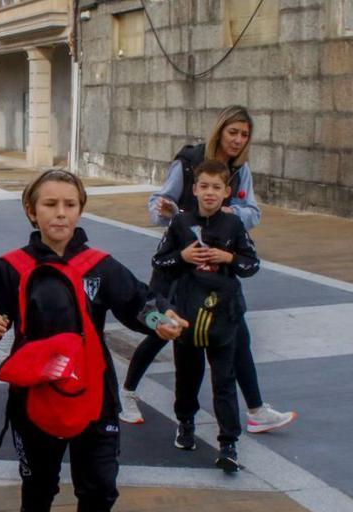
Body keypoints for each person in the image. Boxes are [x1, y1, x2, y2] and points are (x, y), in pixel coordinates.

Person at [0, 170, 159, 512]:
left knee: (101, 485)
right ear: (31, 210)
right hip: (35, 397)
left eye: (70, 205)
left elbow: (139, 304)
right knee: (38, 484)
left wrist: (161, 320)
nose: (61, 213)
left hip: (95, 395)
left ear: (80, 210)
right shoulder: (12, 266)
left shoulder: (100, 265)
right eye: (50, 204)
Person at [120, 105, 297, 435]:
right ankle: (127, 393)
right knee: (161, 329)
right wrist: (166, 210)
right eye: (233, 133)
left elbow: (252, 213)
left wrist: (230, 214)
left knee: (237, 333)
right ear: (220, 131)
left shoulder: (239, 170)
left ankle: (256, 409)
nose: (238, 140)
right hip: (178, 263)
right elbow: (160, 203)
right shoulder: (189, 161)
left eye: (245, 135)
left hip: (213, 270)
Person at [149, 160, 260, 472]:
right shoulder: (180, 224)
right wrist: (182, 257)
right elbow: (160, 262)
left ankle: (228, 442)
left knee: (224, 379)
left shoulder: (234, 226)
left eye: (217, 187)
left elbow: (252, 265)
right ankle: (185, 422)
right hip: (187, 313)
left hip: (224, 316)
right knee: (187, 376)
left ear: (227, 192)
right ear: (194, 189)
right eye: (204, 186)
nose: (209, 193)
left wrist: (231, 257)